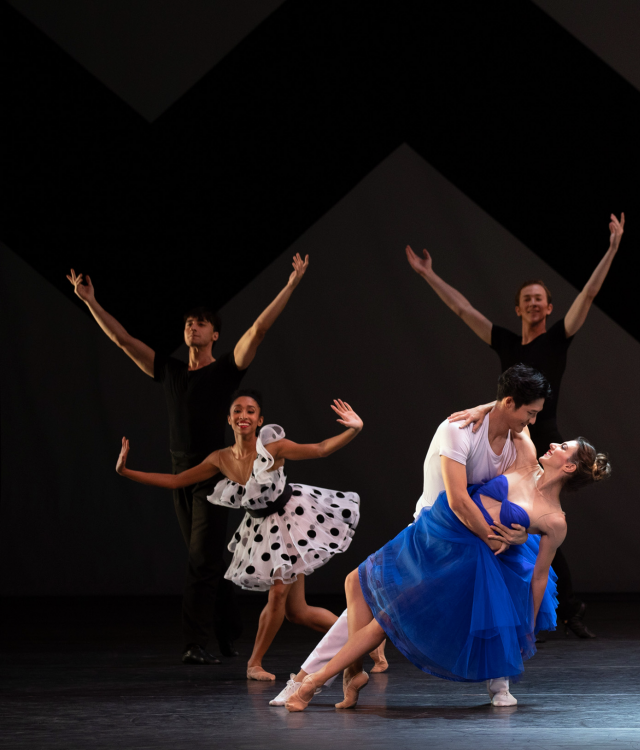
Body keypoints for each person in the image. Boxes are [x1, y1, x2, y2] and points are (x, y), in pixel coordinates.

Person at [68, 254, 310, 664]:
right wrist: (90, 301)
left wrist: (291, 283)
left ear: (214, 334)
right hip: (182, 472)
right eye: (187, 323)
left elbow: (260, 328)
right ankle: (229, 630)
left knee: (201, 560)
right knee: (207, 560)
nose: (191, 327)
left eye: (199, 323)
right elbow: (123, 340)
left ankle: (193, 643)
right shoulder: (171, 371)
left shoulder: (226, 371)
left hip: (216, 475)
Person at [269, 364, 549, 708]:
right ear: (508, 403)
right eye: (530, 413)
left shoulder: (519, 440)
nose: (533, 421)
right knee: (362, 588)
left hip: (472, 537)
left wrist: (517, 535)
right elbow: (458, 500)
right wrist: (495, 537)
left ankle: (309, 680)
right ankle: (332, 674)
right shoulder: (459, 428)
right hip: (433, 535)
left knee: (382, 603)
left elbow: (526, 492)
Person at [404, 213, 624, 638]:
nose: (535, 303)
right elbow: (461, 307)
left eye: (541, 298)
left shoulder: (558, 337)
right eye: (528, 298)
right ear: (519, 307)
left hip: (541, 436)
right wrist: (429, 274)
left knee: (544, 524)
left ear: (549, 307)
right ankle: (487, 600)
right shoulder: (505, 341)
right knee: (494, 511)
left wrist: (612, 249)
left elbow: (591, 292)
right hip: (506, 428)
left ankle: (562, 608)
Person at [284, 433, 611, 712]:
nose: (553, 444)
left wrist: (527, 624)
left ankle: (312, 683)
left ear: (569, 466)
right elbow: (512, 412)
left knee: (388, 617)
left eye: (563, 447)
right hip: (444, 536)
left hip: (473, 567)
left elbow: (540, 575)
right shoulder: (525, 461)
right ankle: (345, 675)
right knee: (363, 586)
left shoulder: (555, 520)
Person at [114, 390, 364, 680]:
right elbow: (176, 481)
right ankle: (363, 641)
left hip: (291, 521)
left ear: (259, 420)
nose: (243, 416)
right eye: (237, 411)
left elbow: (320, 448)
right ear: (229, 420)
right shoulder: (220, 458)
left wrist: (354, 429)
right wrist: (127, 472)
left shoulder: (273, 447)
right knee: (299, 612)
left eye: (250, 411)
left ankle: (254, 664)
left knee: (279, 591)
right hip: (261, 529)